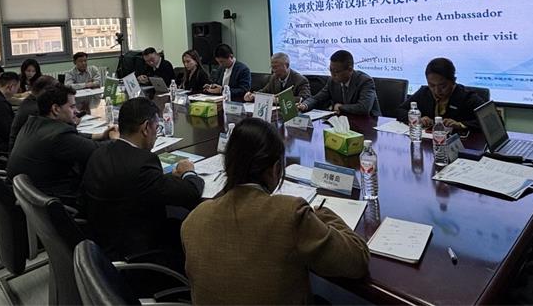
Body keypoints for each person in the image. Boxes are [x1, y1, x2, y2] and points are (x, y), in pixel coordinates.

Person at [181, 118, 370, 304]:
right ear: (276, 169)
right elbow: (357, 260)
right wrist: (322, 213)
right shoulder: (290, 214)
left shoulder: (194, 219)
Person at [82, 97, 204, 268]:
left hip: (101, 246)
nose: (156, 133)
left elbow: (135, 183)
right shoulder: (143, 162)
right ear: (146, 128)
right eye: (157, 127)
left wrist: (165, 179)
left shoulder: (99, 152)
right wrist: (188, 172)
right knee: (192, 222)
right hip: (138, 255)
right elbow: (191, 193)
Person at [7, 84, 117, 208]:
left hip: (27, 199)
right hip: (57, 202)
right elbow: (98, 151)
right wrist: (116, 139)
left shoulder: (34, 123)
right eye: (72, 106)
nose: (76, 111)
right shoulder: (59, 136)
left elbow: (74, 140)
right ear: (55, 109)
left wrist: (99, 136)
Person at [397, 57, 485, 132]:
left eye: (443, 86)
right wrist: (416, 118)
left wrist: (460, 125)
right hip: (428, 141)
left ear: (453, 81)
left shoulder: (467, 97)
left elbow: (489, 121)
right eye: (432, 85)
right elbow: (400, 110)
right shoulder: (424, 92)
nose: (437, 90)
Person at [297, 50, 381, 116]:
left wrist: (341, 107)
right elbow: (317, 98)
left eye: (336, 71)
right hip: (343, 122)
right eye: (330, 70)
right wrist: (304, 105)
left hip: (368, 123)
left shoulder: (365, 81)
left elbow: (364, 108)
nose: (332, 74)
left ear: (350, 69)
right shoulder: (332, 81)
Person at [9, 75, 58, 151]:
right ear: (45, 91)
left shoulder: (29, 101)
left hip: (21, 149)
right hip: (25, 152)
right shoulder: (36, 109)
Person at [244, 52, 311, 102]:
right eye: (272, 67)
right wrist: (253, 96)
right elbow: (264, 92)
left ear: (287, 66)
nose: (274, 71)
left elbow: (305, 99)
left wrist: (278, 100)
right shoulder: (274, 78)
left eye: (276, 67)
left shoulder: (300, 80)